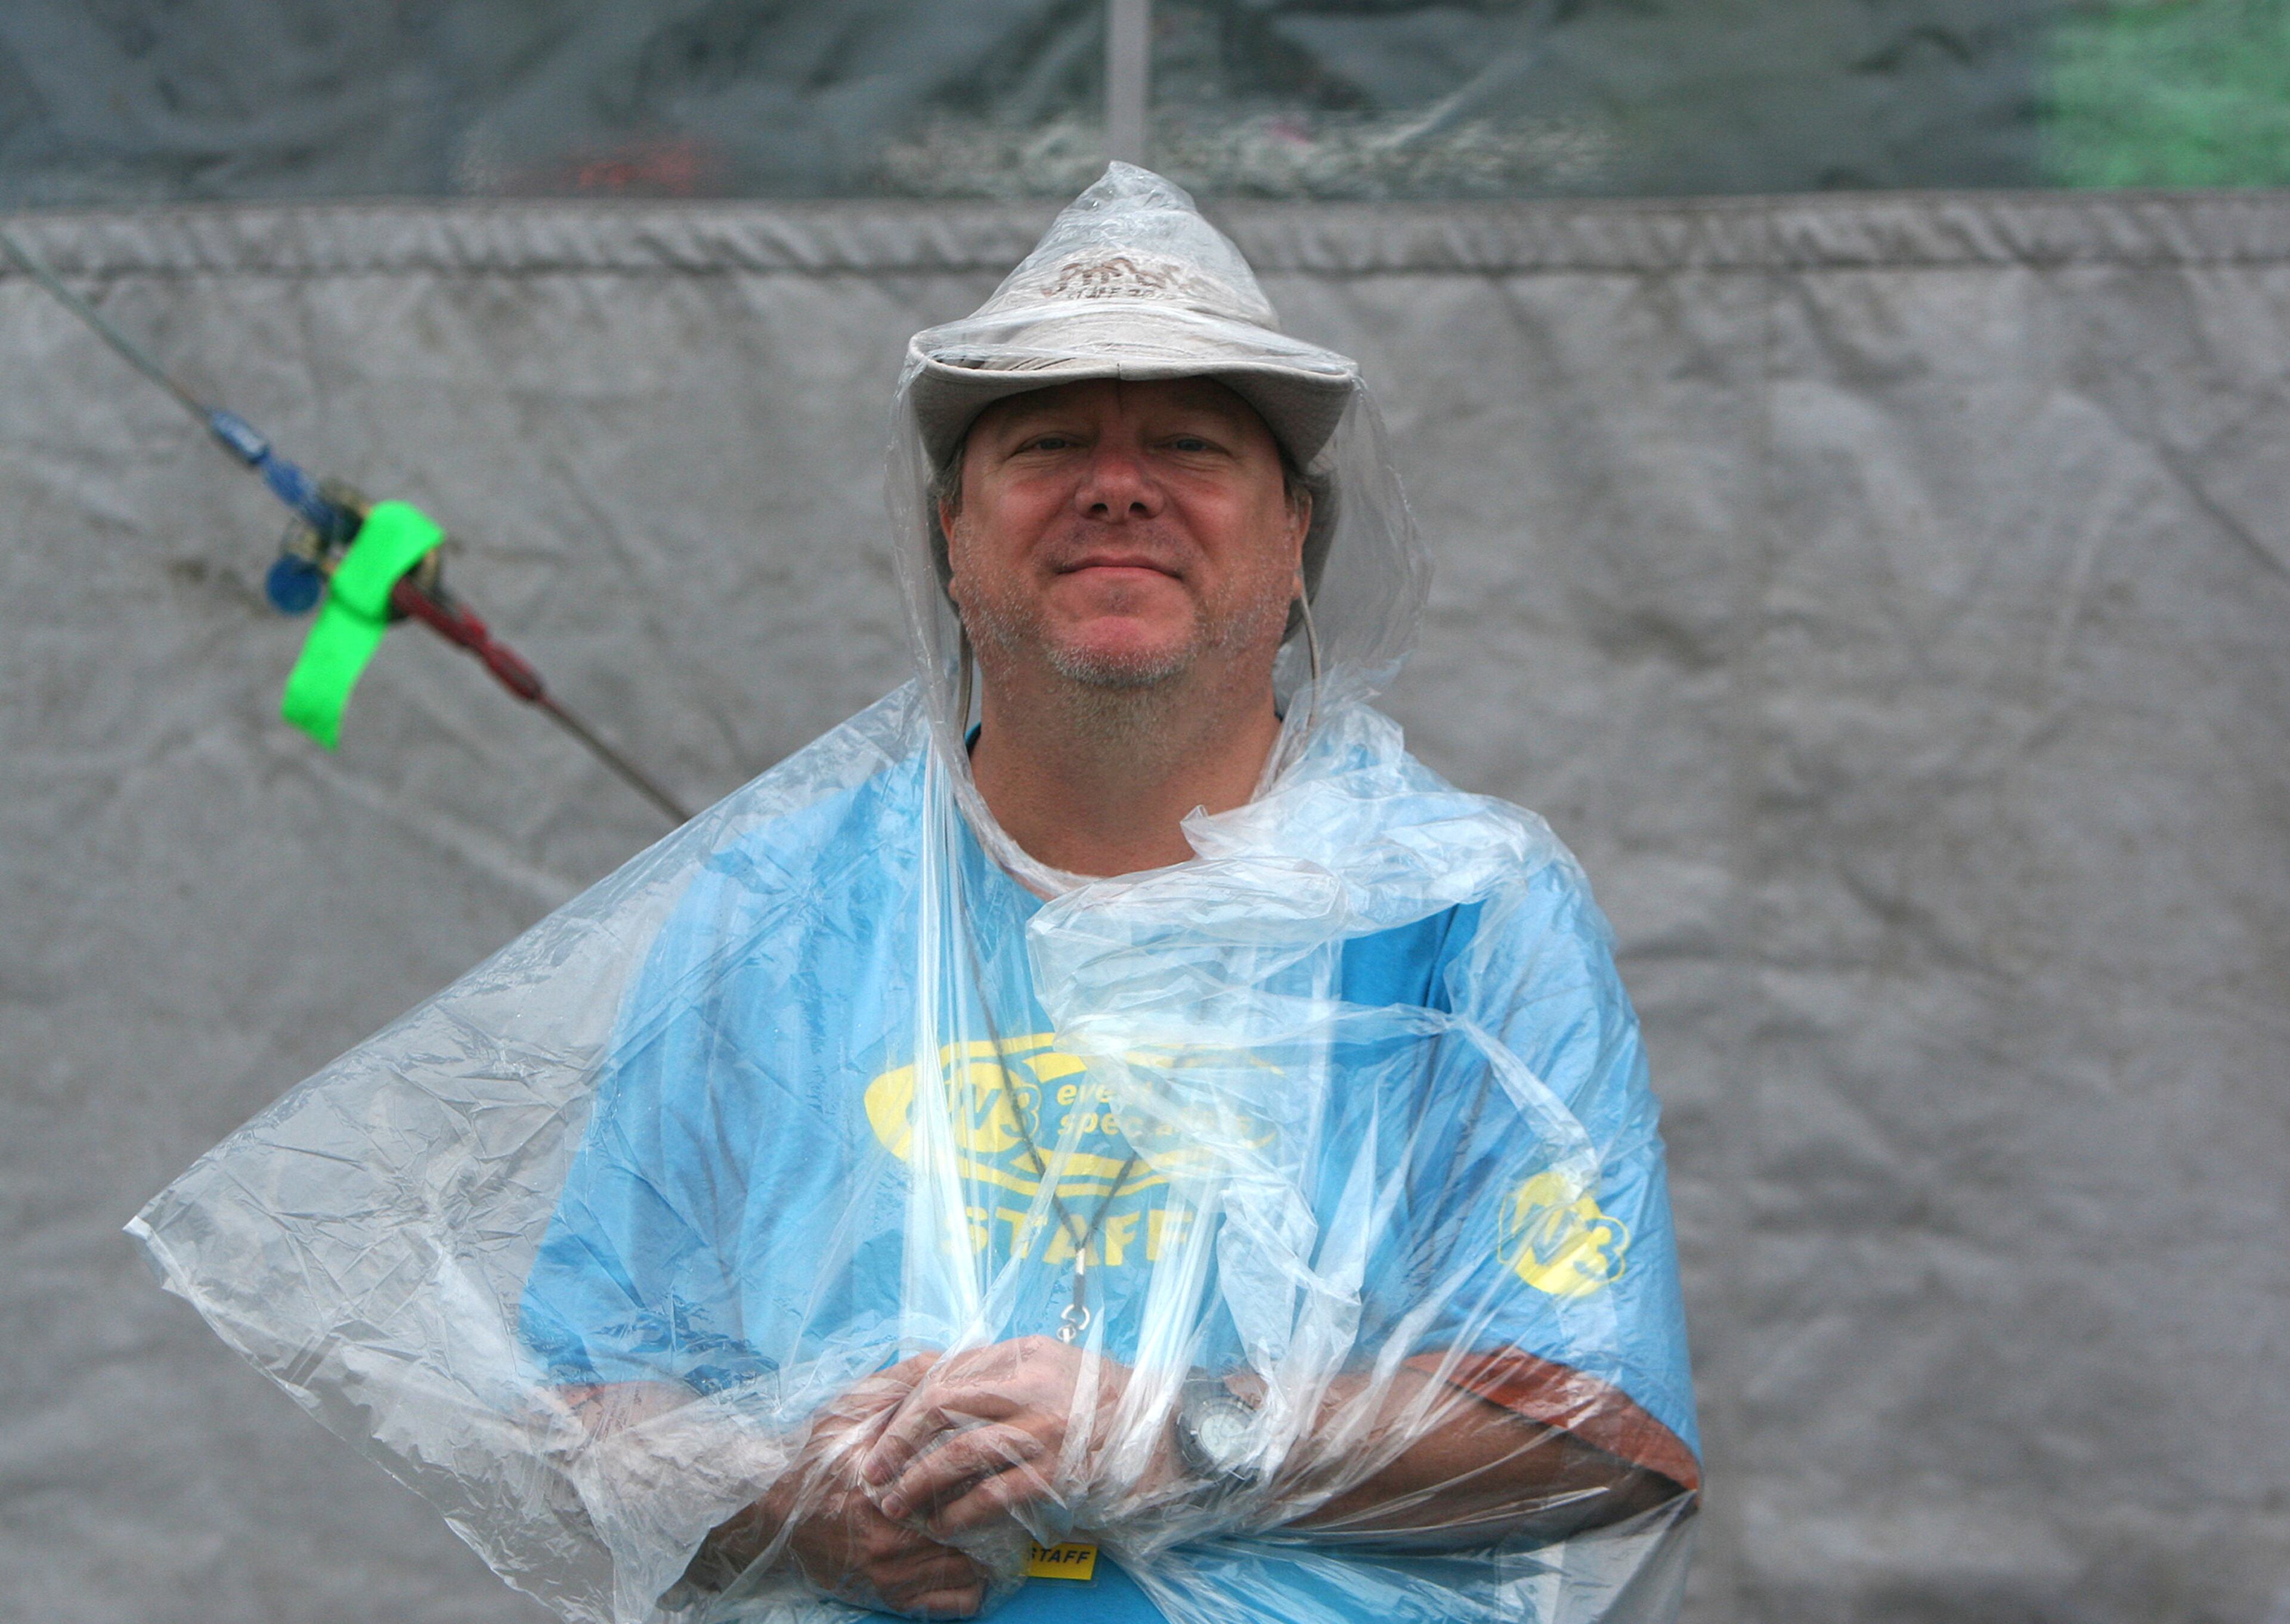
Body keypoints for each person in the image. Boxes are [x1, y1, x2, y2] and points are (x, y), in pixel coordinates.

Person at [133, 163, 1697, 1624]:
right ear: (951, 539)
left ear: (1297, 541)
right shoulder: (779, 911)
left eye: (1195, 448)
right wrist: (784, 1492)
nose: (1117, 488)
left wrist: (1180, 1429)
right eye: (1045, 445)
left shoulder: (1469, 910)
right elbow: (595, 1403)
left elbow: (1608, 1430)